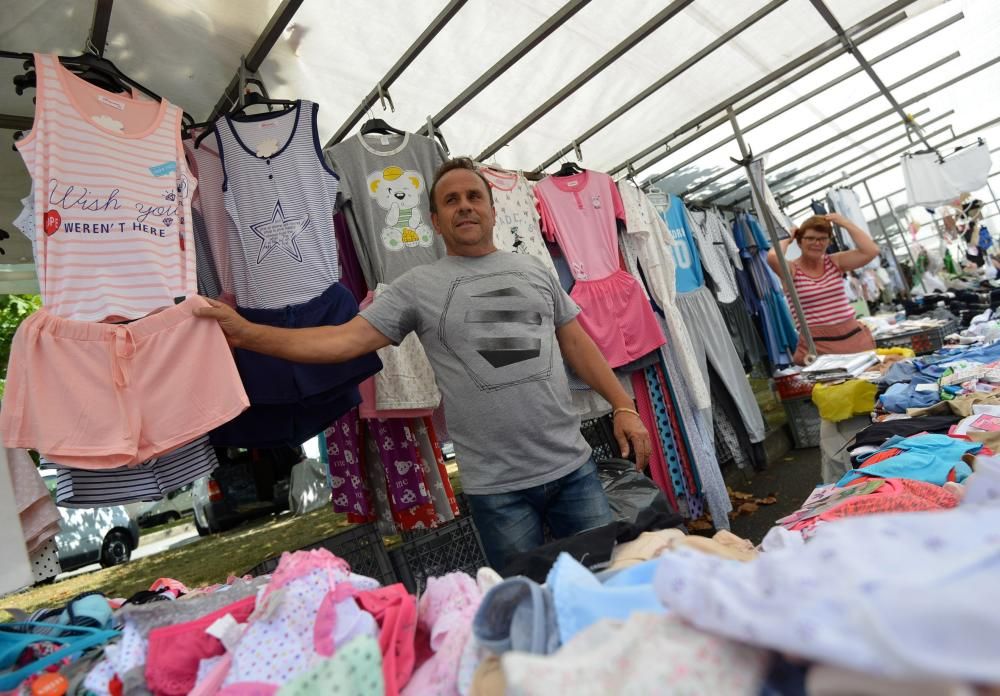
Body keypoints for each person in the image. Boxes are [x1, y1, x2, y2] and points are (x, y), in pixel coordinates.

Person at [194, 157, 653, 569]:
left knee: (607, 589)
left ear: (493, 210)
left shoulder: (533, 269)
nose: (465, 206)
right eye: (451, 201)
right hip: (497, 491)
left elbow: (577, 344)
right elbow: (341, 342)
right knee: (526, 610)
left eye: (474, 197)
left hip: (573, 470)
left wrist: (623, 406)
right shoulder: (416, 287)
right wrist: (246, 332)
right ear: (434, 220)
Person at [767, 213, 879, 365]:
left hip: (854, 338)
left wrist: (845, 222)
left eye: (822, 239)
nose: (816, 243)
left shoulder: (835, 262)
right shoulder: (791, 270)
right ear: (800, 242)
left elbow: (870, 250)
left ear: (828, 242)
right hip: (819, 345)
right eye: (810, 238)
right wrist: (788, 238)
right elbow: (773, 257)